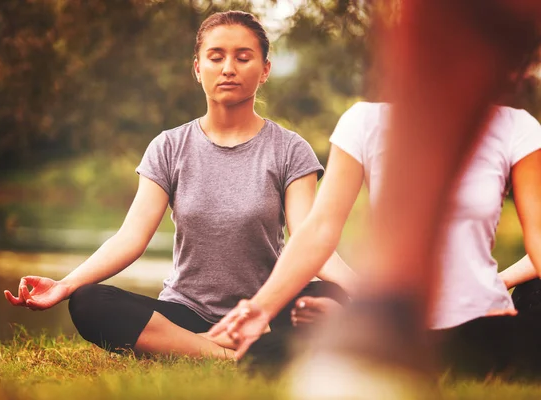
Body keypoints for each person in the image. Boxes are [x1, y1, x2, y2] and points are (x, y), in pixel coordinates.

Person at [212, 3, 541, 397]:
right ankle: (378, 334)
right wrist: (260, 307)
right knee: (264, 354)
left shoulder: (517, 128)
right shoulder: (363, 122)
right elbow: (319, 229)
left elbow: (537, 236)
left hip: (484, 320)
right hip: (401, 319)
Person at [3, 10, 355, 359]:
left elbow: (313, 239)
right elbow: (131, 238)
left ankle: (195, 346)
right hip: (187, 313)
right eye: (216, 57)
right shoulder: (169, 147)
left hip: (266, 308)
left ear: (264, 70)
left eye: (243, 57)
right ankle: (225, 353)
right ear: (198, 68)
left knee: (327, 298)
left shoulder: (290, 149)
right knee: (89, 301)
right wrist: (65, 286)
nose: (228, 68)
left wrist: (367, 292)